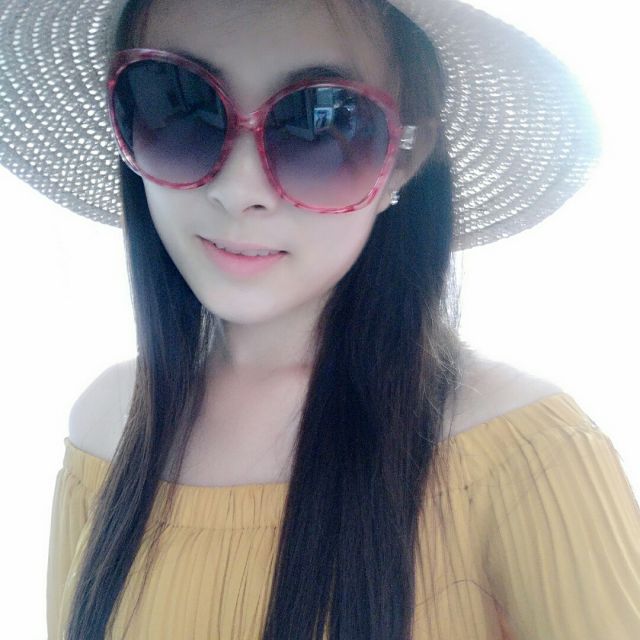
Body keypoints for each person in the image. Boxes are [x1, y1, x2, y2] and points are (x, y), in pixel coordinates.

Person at [1, 0, 639, 638]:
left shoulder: (526, 454)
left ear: (403, 163)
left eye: (319, 124)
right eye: (182, 105)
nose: (238, 189)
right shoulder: (105, 426)